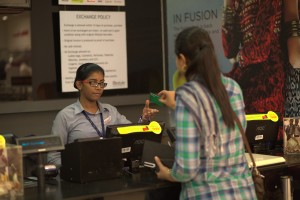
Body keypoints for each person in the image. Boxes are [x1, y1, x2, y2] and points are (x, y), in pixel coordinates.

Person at [155, 27, 257, 199]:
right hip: (243, 192)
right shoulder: (233, 88)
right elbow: (232, 136)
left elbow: (187, 169)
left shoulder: (188, 97)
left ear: (182, 60)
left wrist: (168, 174)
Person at [47, 63, 159, 166]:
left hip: (113, 171)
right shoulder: (65, 116)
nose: (99, 87)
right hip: (81, 179)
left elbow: (133, 135)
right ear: (79, 84)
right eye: (93, 82)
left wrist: (144, 120)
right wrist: (78, 166)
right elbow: (53, 157)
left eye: (101, 83)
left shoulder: (110, 111)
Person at [222, 0, 285, 139]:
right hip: (247, 80)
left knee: (265, 145)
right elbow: (228, 50)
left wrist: (239, 58)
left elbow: (260, 48)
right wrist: (228, 6)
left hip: (268, 82)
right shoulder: (238, 3)